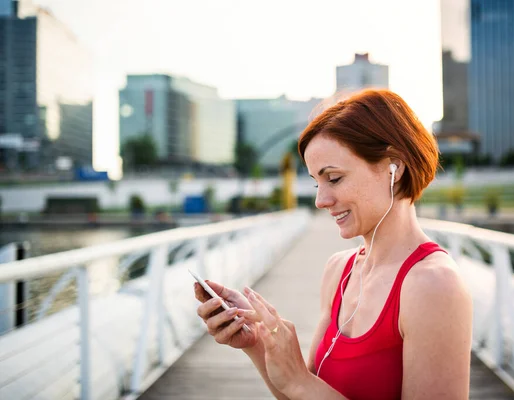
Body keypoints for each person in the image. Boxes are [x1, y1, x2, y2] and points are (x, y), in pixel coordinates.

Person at [195, 89, 473, 399]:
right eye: (317, 182)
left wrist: (300, 379)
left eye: (334, 178)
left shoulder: (434, 286)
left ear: (394, 168)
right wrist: (256, 342)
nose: (320, 200)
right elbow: (305, 393)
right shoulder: (339, 270)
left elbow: (304, 385)